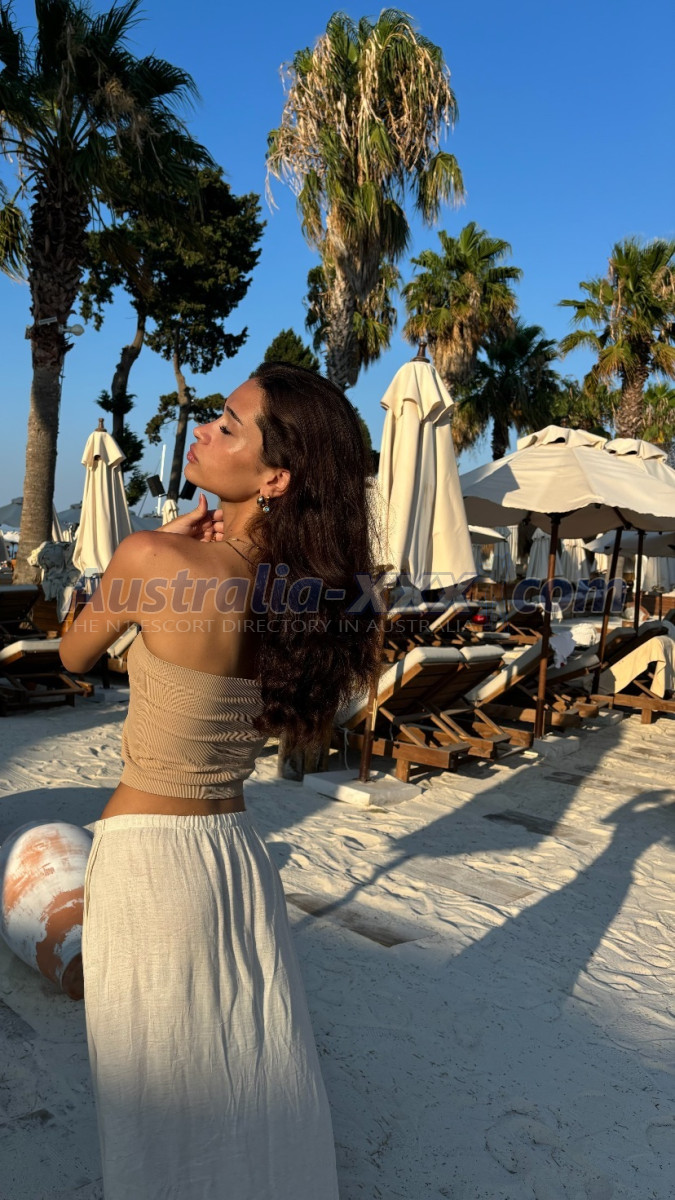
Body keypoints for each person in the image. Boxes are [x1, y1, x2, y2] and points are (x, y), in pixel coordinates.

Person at [59, 362, 381, 1200]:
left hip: (146, 860)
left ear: (275, 478)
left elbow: (74, 653)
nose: (204, 429)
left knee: (156, 1102)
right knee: (246, 1073)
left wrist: (151, 548)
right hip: (233, 856)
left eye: (229, 425)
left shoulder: (151, 556)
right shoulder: (308, 594)